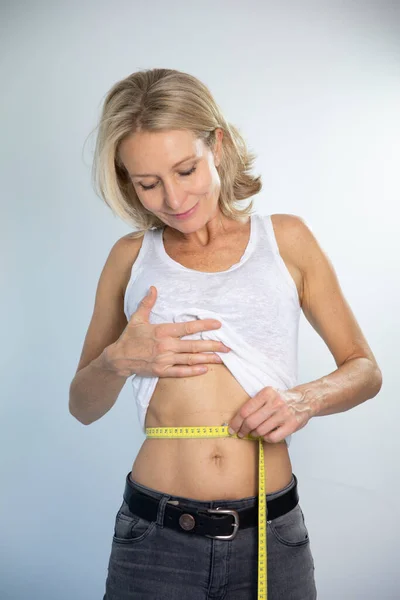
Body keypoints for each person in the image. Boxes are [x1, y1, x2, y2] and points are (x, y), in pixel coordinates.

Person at [69, 68, 382, 600]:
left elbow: (364, 368)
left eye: (186, 169)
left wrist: (305, 398)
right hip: (154, 536)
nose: (172, 197)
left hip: (270, 531)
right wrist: (118, 361)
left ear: (218, 144)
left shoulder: (285, 239)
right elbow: (83, 405)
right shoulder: (130, 257)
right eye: (148, 184)